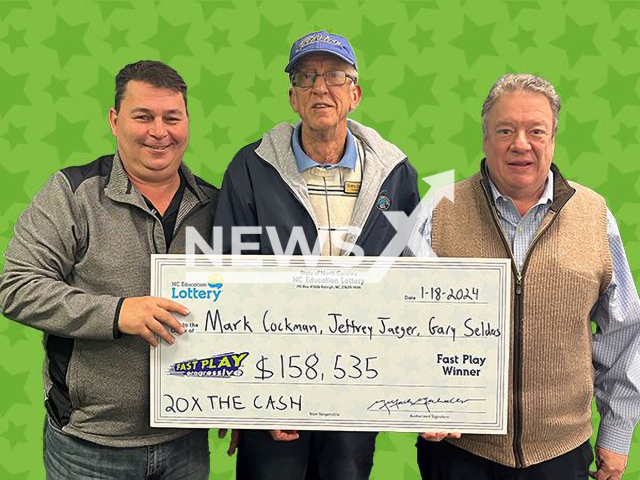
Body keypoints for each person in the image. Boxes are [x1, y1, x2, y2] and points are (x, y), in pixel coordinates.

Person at [405, 73, 640, 480]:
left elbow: (626, 331)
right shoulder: (438, 207)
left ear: (552, 140)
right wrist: (422, 400)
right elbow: (398, 322)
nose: (520, 143)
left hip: (562, 454)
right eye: (505, 130)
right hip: (458, 450)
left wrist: (617, 433)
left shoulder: (594, 214)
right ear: (484, 139)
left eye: (536, 131)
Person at [214, 31, 420, 479]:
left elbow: (409, 281)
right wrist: (244, 394)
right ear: (292, 96)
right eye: (306, 76)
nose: (319, 88)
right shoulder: (251, 168)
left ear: (355, 94)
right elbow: (227, 280)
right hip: (272, 389)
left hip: (357, 382)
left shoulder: (395, 173)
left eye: (334, 76)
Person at [0, 60, 218, 479]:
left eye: (172, 118)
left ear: (188, 123)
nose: (160, 131)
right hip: (89, 446)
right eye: (143, 117)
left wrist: (254, 402)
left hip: (187, 441)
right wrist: (117, 313)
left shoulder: (217, 205)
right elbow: (17, 287)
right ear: (115, 121)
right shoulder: (71, 195)